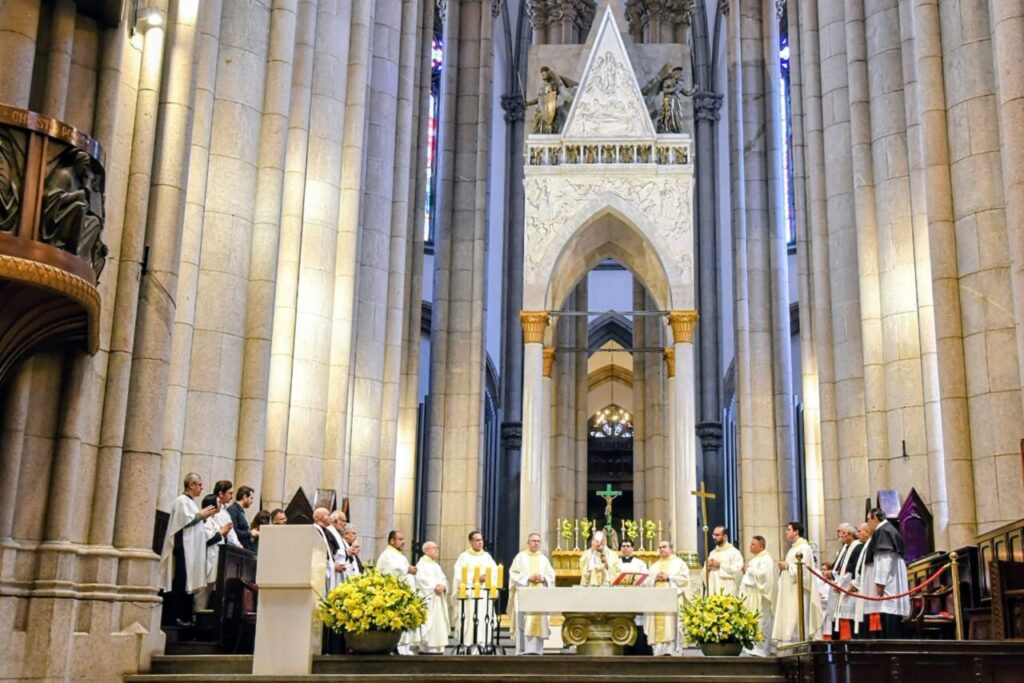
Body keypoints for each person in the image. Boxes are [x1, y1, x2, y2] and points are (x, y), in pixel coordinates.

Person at [159, 473, 217, 625]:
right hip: (182, 548)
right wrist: (201, 515)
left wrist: (201, 516)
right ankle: (173, 617)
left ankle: (184, 616)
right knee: (181, 581)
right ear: (191, 485)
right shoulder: (182, 501)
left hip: (190, 549)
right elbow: (184, 521)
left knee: (187, 583)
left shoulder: (191, 503)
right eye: (199, 484)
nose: (201, 488)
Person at [771, 521, 823, 646]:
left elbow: (803, 570)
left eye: (789, 529)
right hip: (789, 589)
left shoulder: (804, 548)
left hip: (797, 589)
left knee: (796, 616)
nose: (786, 532)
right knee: (789, 616)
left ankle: (799, 643)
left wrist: (787, 566)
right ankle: (788, 643)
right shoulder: (794, 548)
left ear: (796, 531)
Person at [860, 508, 910, 638]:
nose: (867, 523)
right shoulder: (889, 529)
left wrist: (880, 583)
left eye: (868, 519)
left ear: (875, 518)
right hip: (893, 576)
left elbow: (884, 559)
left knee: (889, 610)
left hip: (889, 580)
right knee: (892, 610)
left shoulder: (882, 531)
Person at [509, 532, 556, 655]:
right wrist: (528, 578)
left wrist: (543, 578)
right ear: (528, 543)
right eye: (534, 541)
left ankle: (538, 651)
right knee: (523, 622)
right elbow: (513, 574)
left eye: (538, 541)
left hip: (539, 597)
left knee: (539, 622)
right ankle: (522, 651)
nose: (536, 543)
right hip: (524, 595)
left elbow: (551, 575)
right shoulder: (520, 557)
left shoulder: (543, 559)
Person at [452, 530, 498, 650]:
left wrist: (488, 579)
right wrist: (474, 578)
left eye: (481, 540)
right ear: (471, 542)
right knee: (470, 618)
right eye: (477, 540)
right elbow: (459, 575)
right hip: (470, 595)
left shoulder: (487, 557)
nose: (480, 543)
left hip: (484, 593)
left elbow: (495, 573)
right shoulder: (464, 557)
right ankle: (469, 645)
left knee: (484, 618)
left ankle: (484, 645)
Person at [643, 540, 691, 656]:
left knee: (671, 624)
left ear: (671, 549)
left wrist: (669, 578)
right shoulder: (654, 566)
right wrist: (655, 579)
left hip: (672, 600)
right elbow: (646, 582)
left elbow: (685, 580)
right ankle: (658, 649)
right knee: (657, 626)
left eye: (664, 547)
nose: (661, 549)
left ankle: (672, 649)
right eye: (659, 547)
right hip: (657, 602)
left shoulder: (679, 563)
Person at [376, 530, 419, 655]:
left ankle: (405, 646)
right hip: (394, 594)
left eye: (403, 539)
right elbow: (392, 570)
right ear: (392, 541)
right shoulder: (387, 555)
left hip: (403, 594)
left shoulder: (398, 555)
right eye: (400, 539)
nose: (403, 542)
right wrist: (407, 569)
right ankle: (397, 646)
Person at [739, 535, 777, 657]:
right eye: (750, 544)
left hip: (760, 597)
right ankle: (752, 646)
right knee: (753, 621)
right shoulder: (755, 559)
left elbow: (765, 577)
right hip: (751, 596)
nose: (750, 546)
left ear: (761, 546)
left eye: (753, 544)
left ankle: (762, 648)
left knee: (761, 621)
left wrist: (749, 571)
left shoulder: (766, 559)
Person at [415, 541, 451, 654]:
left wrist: (443, 586)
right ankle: (427, 648)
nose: (436, 550)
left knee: (439, 623)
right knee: (429, 622)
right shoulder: (421, 565)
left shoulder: (435, 565)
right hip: (430, 599)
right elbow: (420, 580)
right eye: (434, 548)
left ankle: (438, 647)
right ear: (426, 550)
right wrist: (434, 587)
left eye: (437, 548)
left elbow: (444, 579)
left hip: (438, 599)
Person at [617, 539, 651, 656]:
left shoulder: (640, 563)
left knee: (637, 622)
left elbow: (646, 579)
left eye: (628, 546)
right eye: (623, 546)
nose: (625, 548)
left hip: (636, 596)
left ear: (633, 548)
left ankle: (639, 648)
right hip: (620, 597)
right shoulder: (615, 564)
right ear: (620, 549)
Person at [829, 523, 863, 639]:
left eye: (842, 532)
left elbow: (853, 568)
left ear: (851, 534)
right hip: (841, 587)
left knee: (848, 619)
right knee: (840, 618)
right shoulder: (845, 548)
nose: (839, 535)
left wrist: (841, 584)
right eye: (838, 532)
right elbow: (837, 567)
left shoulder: (857, 547)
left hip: (850, 588)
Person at [704, 525, 744, 597]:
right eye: (713, 535)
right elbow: (704, 574)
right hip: (713, 588)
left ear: (725, 537)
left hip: (727, 589)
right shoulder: (712, 553)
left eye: (717, 535)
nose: (714, 537)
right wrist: (707, 567)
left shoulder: (734, 552)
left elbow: (738, 571)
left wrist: (720, 565)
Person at [227, 486, 255, 551]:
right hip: (237, 550)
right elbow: (234, 531)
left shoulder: (240, 511)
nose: (252, 501)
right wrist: (250, 533)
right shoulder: (233, 510)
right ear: (245, 497)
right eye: (251, 498)